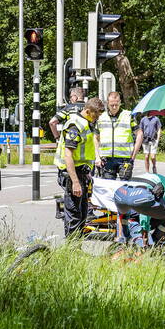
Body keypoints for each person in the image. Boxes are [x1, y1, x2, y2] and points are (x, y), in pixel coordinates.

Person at [56, 97, 104, 237]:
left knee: (82, 213)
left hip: (81, 172)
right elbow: (68, 155)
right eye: (96, 115)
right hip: (72, 174)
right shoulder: (75, 126)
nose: (97, 118)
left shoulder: (87, 123)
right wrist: (75, 182)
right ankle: (71, 250)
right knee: (74, 214)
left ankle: (76, 247)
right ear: (88, 111)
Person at [113, 172, 165, 252]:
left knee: (126, 216)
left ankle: (121, 244)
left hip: (121, 193)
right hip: (141, 195)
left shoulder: (163, 181)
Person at [96, 91, 143, 179]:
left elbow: (140, 134)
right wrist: (97, 157)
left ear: (120, 102)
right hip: (106, 159)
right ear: (107, 103)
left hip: (125, 159)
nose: (114, 107)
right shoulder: (101, 117)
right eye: (111, 105)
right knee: (108, 188)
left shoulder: (128, 115)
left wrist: (133, 156)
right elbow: (95, 137)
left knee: (125, 188)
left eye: (116, 105)